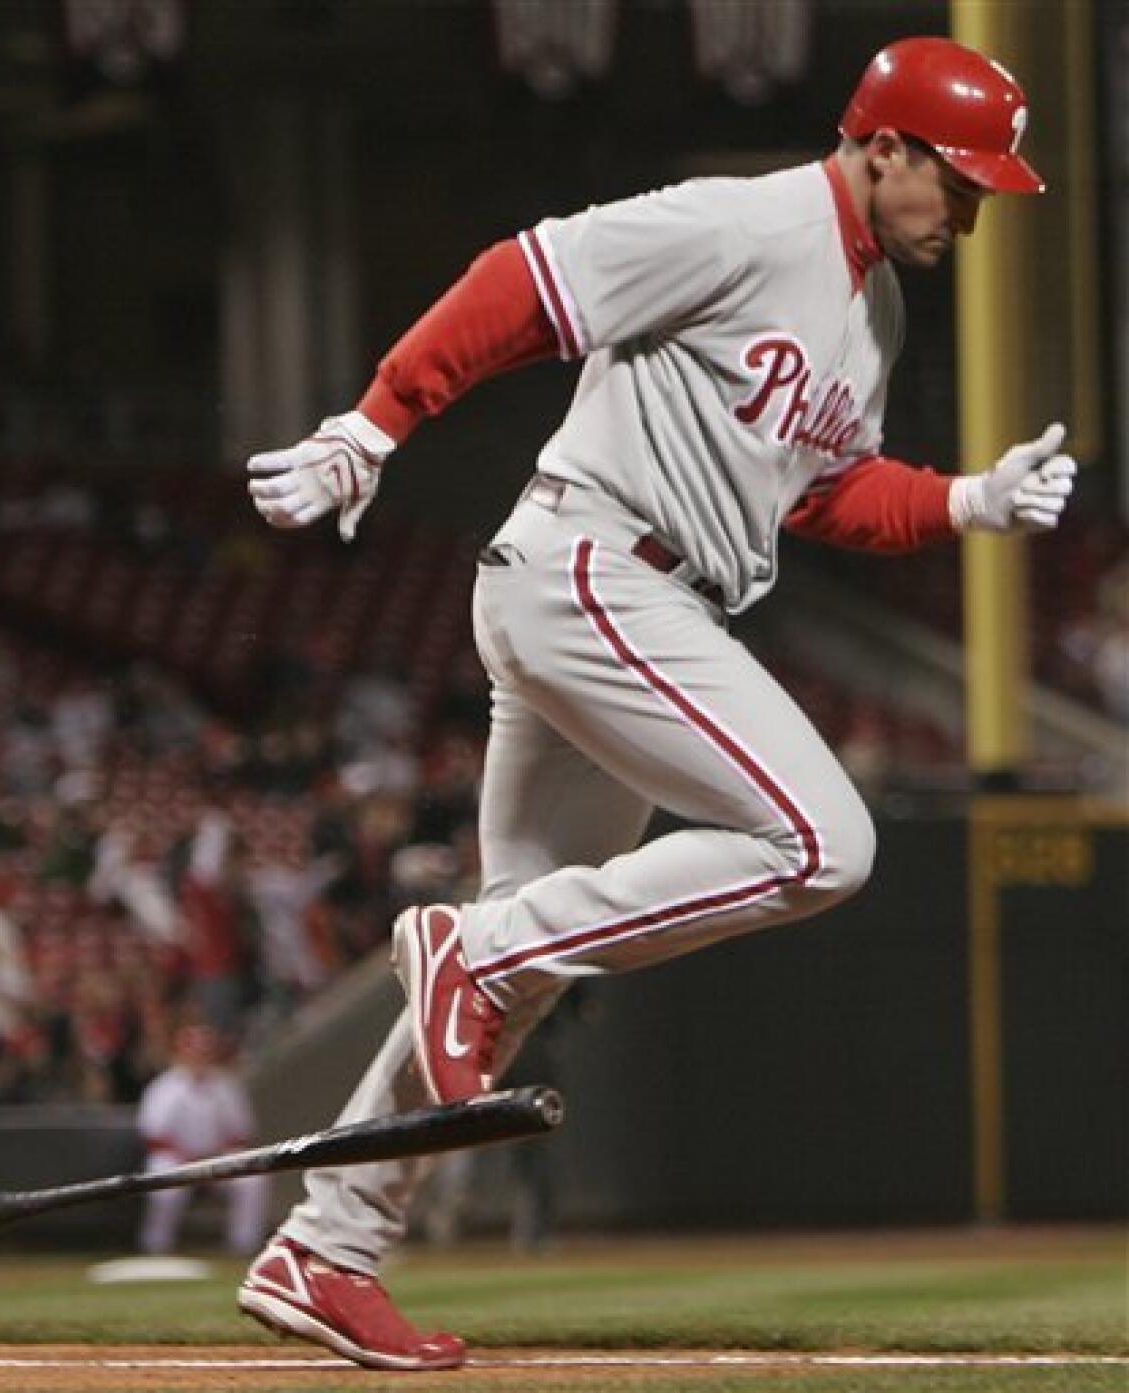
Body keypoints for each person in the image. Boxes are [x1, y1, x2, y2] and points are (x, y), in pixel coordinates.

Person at [237, 37, 1076, 1371]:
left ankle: (329, 1245)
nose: (970, 210)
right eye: (959, 180)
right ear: (883, 146)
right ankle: (485, 950)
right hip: (596, 569)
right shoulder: (745, 218)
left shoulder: (878, 311)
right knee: (822, 845)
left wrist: (967, 500)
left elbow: (821, 491)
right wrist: (377, 422)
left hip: (620, 591)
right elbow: (526, 280)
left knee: (503, 978)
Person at [137, 1022, 270, 1255]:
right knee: (164, 1183)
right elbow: (153, 1136)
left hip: (216, 1161)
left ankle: (243, 1246)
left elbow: (240, 1133)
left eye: (205, 1050)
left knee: (252, 1182)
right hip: (176, 1160)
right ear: (180, 1052)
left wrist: (213, 1160)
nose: (200, 1056)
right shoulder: (164, 1087)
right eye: (194, 1050)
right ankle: (156, 1245)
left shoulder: (226, 1086)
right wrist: (190, 1161)